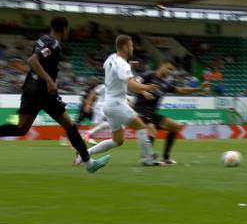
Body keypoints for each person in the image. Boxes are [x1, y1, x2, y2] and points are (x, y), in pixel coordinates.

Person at [0, 16, 110, 173]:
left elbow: (38, 62)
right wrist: (50, 81)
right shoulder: (54, 44)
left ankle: (88, 161)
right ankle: (89, 163)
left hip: (30, 89)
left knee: (21, 129)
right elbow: (32, 60)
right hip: (43, 91)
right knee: (70, 126)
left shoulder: (43, 39)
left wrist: (51, 79)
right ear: (64, 29)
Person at [74, 35, 159, 166]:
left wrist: (132, 75)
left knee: (117, 141)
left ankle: (84, 154)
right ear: (125, 47)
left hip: (109, 104)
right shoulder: (122, 64)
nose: (132, 48)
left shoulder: (111, 58)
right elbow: (131, 85)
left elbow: (117, 75)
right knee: (141, 127)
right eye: (131, 45)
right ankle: (148, 159)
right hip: (117, 104)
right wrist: (147, 87)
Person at [133, 59, 209, 164]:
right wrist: (144, 91)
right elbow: (134, 83)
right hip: (140, 109)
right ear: (161, 65)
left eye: (172, 70)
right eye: (168, 68)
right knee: (152, 129)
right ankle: (146, 158)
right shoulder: (149, 75)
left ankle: (166, 157)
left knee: (176, 127)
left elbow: (181, 90)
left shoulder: (165, 84)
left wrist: (199, 89)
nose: (169, 72)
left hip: (152, 113)